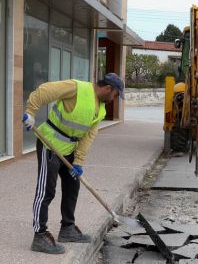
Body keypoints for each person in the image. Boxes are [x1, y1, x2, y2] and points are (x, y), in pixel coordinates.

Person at [22, 73, 125, 254]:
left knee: (72, 188)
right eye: (116, 94)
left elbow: (88, 137)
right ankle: (40, 236)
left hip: (69, 150)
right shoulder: (77, 88)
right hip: (50, 145)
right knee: (46, 191)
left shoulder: (101, 110)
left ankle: (67, 229)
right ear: (108, 88)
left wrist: (78, 161)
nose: (115, 98)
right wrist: (31, 112)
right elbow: (44, 91)